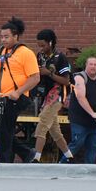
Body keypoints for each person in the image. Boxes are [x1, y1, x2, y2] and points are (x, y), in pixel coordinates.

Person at [0, 17, 39, 163]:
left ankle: (4, 164)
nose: (3, 40)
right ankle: (27, 154)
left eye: (7, 36)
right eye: (2, 36)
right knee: (0, 132)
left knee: (4, 132)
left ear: (16, 36)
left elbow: (35, 78)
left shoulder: (25, 53)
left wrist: (17, 92)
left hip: (17, 97)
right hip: (0, 98)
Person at [31, 28, 74, 163]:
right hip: (45, 94)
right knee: (55, 129)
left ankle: (36, 157)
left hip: (58, 94)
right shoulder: (40, 56)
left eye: (43, 45)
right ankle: (69, 156)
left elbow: (66, 81)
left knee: (43, 121)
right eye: (39, 46)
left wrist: (48, 73)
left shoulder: (60, 57)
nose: (41, 49)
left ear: (50, 42)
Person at [66, 56, 96, 164]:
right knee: (77, 144)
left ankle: (89, 169)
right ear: (86, 65)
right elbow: (80, 97)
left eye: (95, 64)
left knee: (93, 146)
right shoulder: (80, 78)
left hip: (95, 121)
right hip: (79, 120)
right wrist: (91, 113)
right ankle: (62, 165)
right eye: (91, 64)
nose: (93, 67)